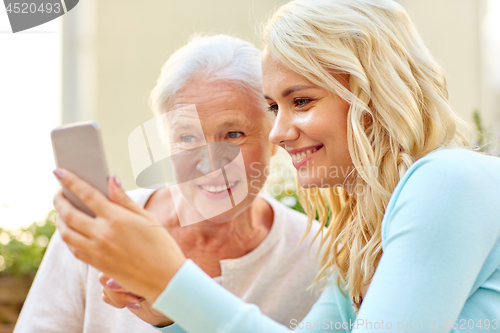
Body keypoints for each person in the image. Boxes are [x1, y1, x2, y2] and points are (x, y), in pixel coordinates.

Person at [52, 0, 500, 332]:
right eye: (272, 106)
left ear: (373, 96)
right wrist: (168, 312)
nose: (277, 131)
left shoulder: (450, 180)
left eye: (300, 101)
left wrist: (174, 281)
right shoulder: (363, 242)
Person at [14, 35, 327, 333]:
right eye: (187, 137)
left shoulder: (317, 253)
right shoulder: (100, 231)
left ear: (273, 137)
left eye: (234, 135)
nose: (209, 165)